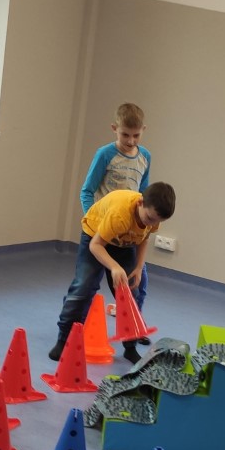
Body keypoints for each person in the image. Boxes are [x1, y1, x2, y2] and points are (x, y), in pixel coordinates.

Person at [49, 182, 176, 365]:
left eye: (156, 221)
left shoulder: (153, 218)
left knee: (130, 294)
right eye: (149, 218)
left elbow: (144, 239)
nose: (152, 223)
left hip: (124, 243)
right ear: (140, 203)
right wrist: (114, 267)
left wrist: (138, 267)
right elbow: (96, 245)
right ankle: (64, 340)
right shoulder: (120, 215)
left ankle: (130, 348)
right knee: (83, 287)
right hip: (95, 237)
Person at [80, 102, 152, 340]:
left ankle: (133, 328)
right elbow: (87, 191)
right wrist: (93, 221)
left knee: (137, 284)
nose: (131, 141)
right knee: (86, 284)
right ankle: (75, 327)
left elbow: (144, 194)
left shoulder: (145, 157)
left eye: (136, 135)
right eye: (125, 135)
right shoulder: (105, 154)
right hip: (103, 229)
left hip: (128, 234)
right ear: (114, 129)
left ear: (143, 130)